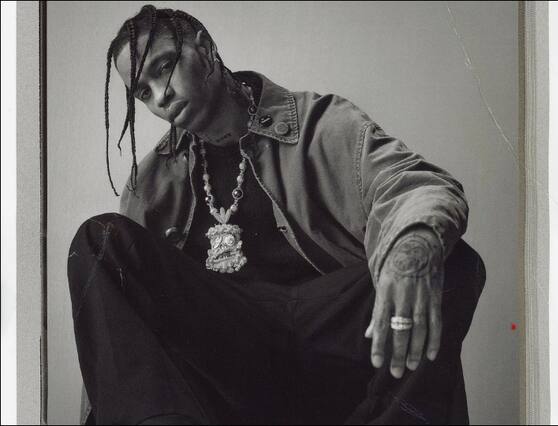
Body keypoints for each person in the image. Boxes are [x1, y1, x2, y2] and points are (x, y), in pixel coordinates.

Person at [68, 5, 485, 425]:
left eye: (164, 67)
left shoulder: (320, 123)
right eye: (143, 92)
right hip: (230, 352)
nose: (161, 96)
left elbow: (412, 185)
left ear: (205, 50)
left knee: (444, 257)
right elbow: (117, 337)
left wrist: (409, 254)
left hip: (331, 330)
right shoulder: (151, 183)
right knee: (100, 239)